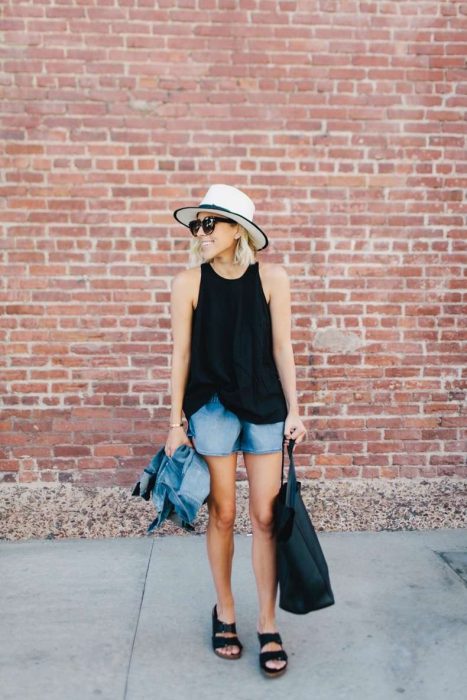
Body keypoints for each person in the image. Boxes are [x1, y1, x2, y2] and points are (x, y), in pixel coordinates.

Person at [165, 184, 307, 678]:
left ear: (237, 231)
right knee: (222, 514)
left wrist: (295, 409)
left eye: (209, 224)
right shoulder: (188, 283)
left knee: (266, 518)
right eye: (196, 224)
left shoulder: (272, 278)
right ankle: (225, 611)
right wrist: (174, 421)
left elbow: (282, 347)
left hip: (265, 406)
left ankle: (268, 623)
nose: (199, 233)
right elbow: (180, 355)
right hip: (212, 409)